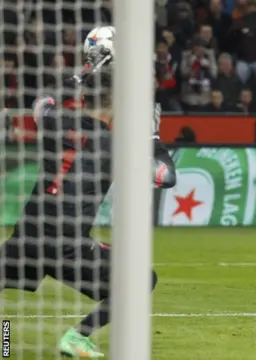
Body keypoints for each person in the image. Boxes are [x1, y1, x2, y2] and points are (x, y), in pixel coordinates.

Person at [0, 46, 176, 358]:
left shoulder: (56, 121)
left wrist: (78, 76)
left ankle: (4, 338)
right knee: (142, 278)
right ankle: (77, 336)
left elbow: (40, 103)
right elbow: (165, 176)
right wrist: (153, 139)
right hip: (67, 247)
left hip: (28, 234)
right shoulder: (116, 145)